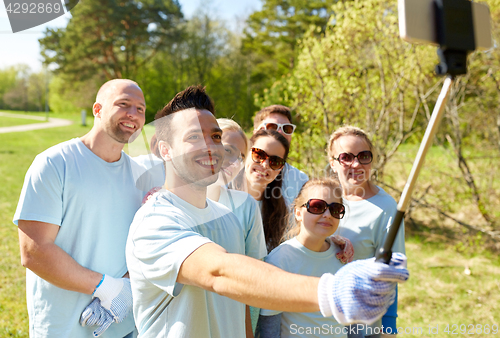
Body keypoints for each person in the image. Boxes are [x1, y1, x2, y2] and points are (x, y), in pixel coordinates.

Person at [126, 85, 409, 338]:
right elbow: (220, 273)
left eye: (215, 137)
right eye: (192, 137)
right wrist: (331, 292)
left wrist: (327, 242)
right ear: (165, 150)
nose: (210, 147)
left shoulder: (231, 218)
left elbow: (250, 294)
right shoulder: (154, 221)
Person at [14, 79, 148, 337]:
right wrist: (106, 289)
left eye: (140, 109)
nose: (133, 114)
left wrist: (127, 290)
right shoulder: (54, 164)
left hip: (121, 326)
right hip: (62, 327)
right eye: (123, 104)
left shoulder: (141, 176)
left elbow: (142, 245)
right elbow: (34, 251)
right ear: (97, 109)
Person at [327, 126, 406, 338]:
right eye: (346, 157)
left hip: (360, 323)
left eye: (364, 156)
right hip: (318, 316)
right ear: (333, 163)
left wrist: (389, 327)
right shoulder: (322, 199)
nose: (356, 164)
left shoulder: (387, 208)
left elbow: (389, 273)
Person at [257, 177, 348, 338]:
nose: (327, 214)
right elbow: (269, 327)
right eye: (317, 206)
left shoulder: (342, 255)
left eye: (335, 209)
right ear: (298, 213)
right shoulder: (280, 259)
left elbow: (350, 316)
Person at [253, 105, 309, 206]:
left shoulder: (300, 180)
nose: (280, 132)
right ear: (256, 132)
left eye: (286, 128)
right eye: (272, 126)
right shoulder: (234, 171)